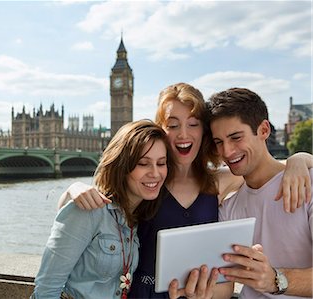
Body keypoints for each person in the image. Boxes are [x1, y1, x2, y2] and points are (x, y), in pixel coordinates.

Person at [58, 83, 312, 299]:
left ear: (203, 131)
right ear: (160, 129)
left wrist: (299, 159)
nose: (183, 134)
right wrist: (73, 188)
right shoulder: (146, 179)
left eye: (193, 124)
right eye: (173, 125)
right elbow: (92, 208)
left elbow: (267, 172)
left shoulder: (220, 182)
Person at [187, 87, 312, 298]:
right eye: (219, 142)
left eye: (236, 137)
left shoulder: (307, 184)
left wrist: (276, 279)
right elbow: (225, 281)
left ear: (263, 130)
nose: (227, 152)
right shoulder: (229, 207)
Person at [31, 119, 169, 299]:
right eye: (143, 163)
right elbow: (46, 290)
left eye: (161, 163)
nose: (155, 173)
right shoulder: (88, 209)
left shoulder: (137, 219)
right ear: (122, 165)